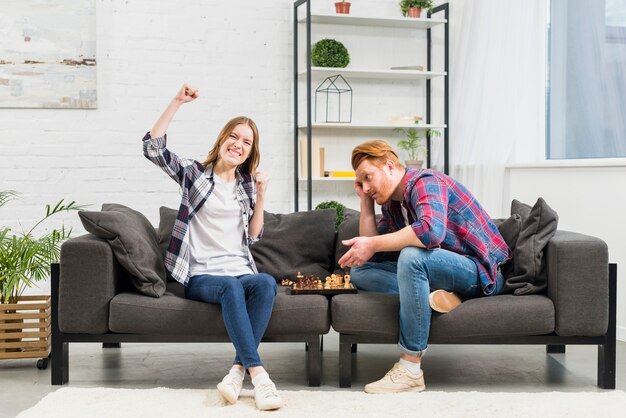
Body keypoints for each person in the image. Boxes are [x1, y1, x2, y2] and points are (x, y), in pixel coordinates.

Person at [142, 84, 282, 410]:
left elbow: (254, 236)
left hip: (239, 269)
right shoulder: (194, 175)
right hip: (202, 276)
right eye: (234, 137)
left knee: (264, 282)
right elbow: (153, 149)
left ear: (249, 153)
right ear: (222, 140)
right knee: (231, 287)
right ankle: (260, 376)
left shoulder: (247, 185)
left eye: (246, 142)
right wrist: (177, 101)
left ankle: (236, 371)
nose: (238, 144)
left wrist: (262, 195)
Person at [338, 140, 511, 394]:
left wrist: (372, 244)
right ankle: (435, 296)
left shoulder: (424, 182)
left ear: (388, 166)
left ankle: (410, 369)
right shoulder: (392, 205)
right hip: (444, 273)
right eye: (360, 183)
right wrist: (365, 203)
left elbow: (431, 233)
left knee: (411, 257)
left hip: (482, 272)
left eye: (368, 178)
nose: (365, 186)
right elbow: (375, 255)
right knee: (360, 272)